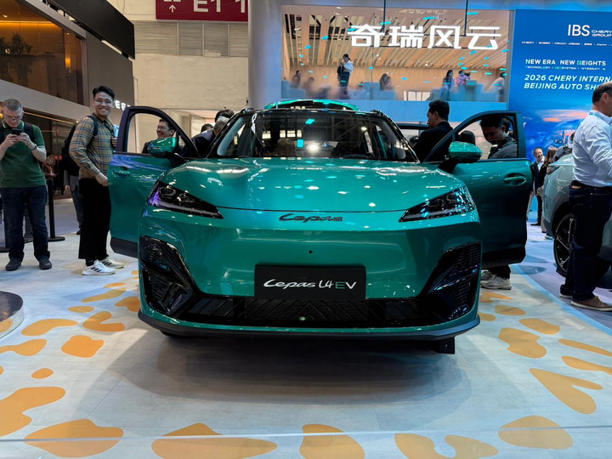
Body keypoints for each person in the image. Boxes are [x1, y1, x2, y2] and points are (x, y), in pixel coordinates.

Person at [560, 81, 612, 311]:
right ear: (605, 98)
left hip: (591, 193)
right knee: (588, 246)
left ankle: (571, 287)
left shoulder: (600, 124)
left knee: (582, 244)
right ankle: (582, 295)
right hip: (593, 194)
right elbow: (606, 161)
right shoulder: (595, 126)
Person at [70, 85, 124, 276]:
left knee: (103, 222)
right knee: (91, 223)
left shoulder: (108, 125)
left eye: (107, 101)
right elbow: (75, 150)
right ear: (93, 102)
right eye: (100, 100)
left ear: (112, 104)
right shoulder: (88, 122)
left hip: (106, 182)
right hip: (92, 182)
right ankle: (90, 262)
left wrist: (115, 145)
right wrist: (97, 174)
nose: (103, 104)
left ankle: (101, 256)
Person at [0, 98, 51, 271]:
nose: (13, 121)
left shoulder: (32, 129)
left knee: (39, 224)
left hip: (35, 184)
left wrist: (30, 144)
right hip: (9, 185)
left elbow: (43, 157)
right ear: (3, 113)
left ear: (22, 113)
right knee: (13, 225)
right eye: (9, 117)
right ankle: (15, 258)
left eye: (17, 117)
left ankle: (43, 256)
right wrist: (4, 145)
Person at [480, 116, 519, 290]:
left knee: (498, 235)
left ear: (504, 128)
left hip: (503, 200)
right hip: (497, 198)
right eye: (486, 135)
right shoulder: (501, 147)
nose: (489, 138)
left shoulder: (510, 150)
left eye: (492, 133)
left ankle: (502, 276)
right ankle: (495, 270)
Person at [529, 147, 545, 225]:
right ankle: (539, 221)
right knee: (540, 205)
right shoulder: (533, 165)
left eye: (540, 152)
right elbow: (533, 178)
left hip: (546, 186)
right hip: (538, 188)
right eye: (538, 153)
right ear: (535, 155)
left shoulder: (547, 163)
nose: (540, 154)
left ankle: (545, 223)